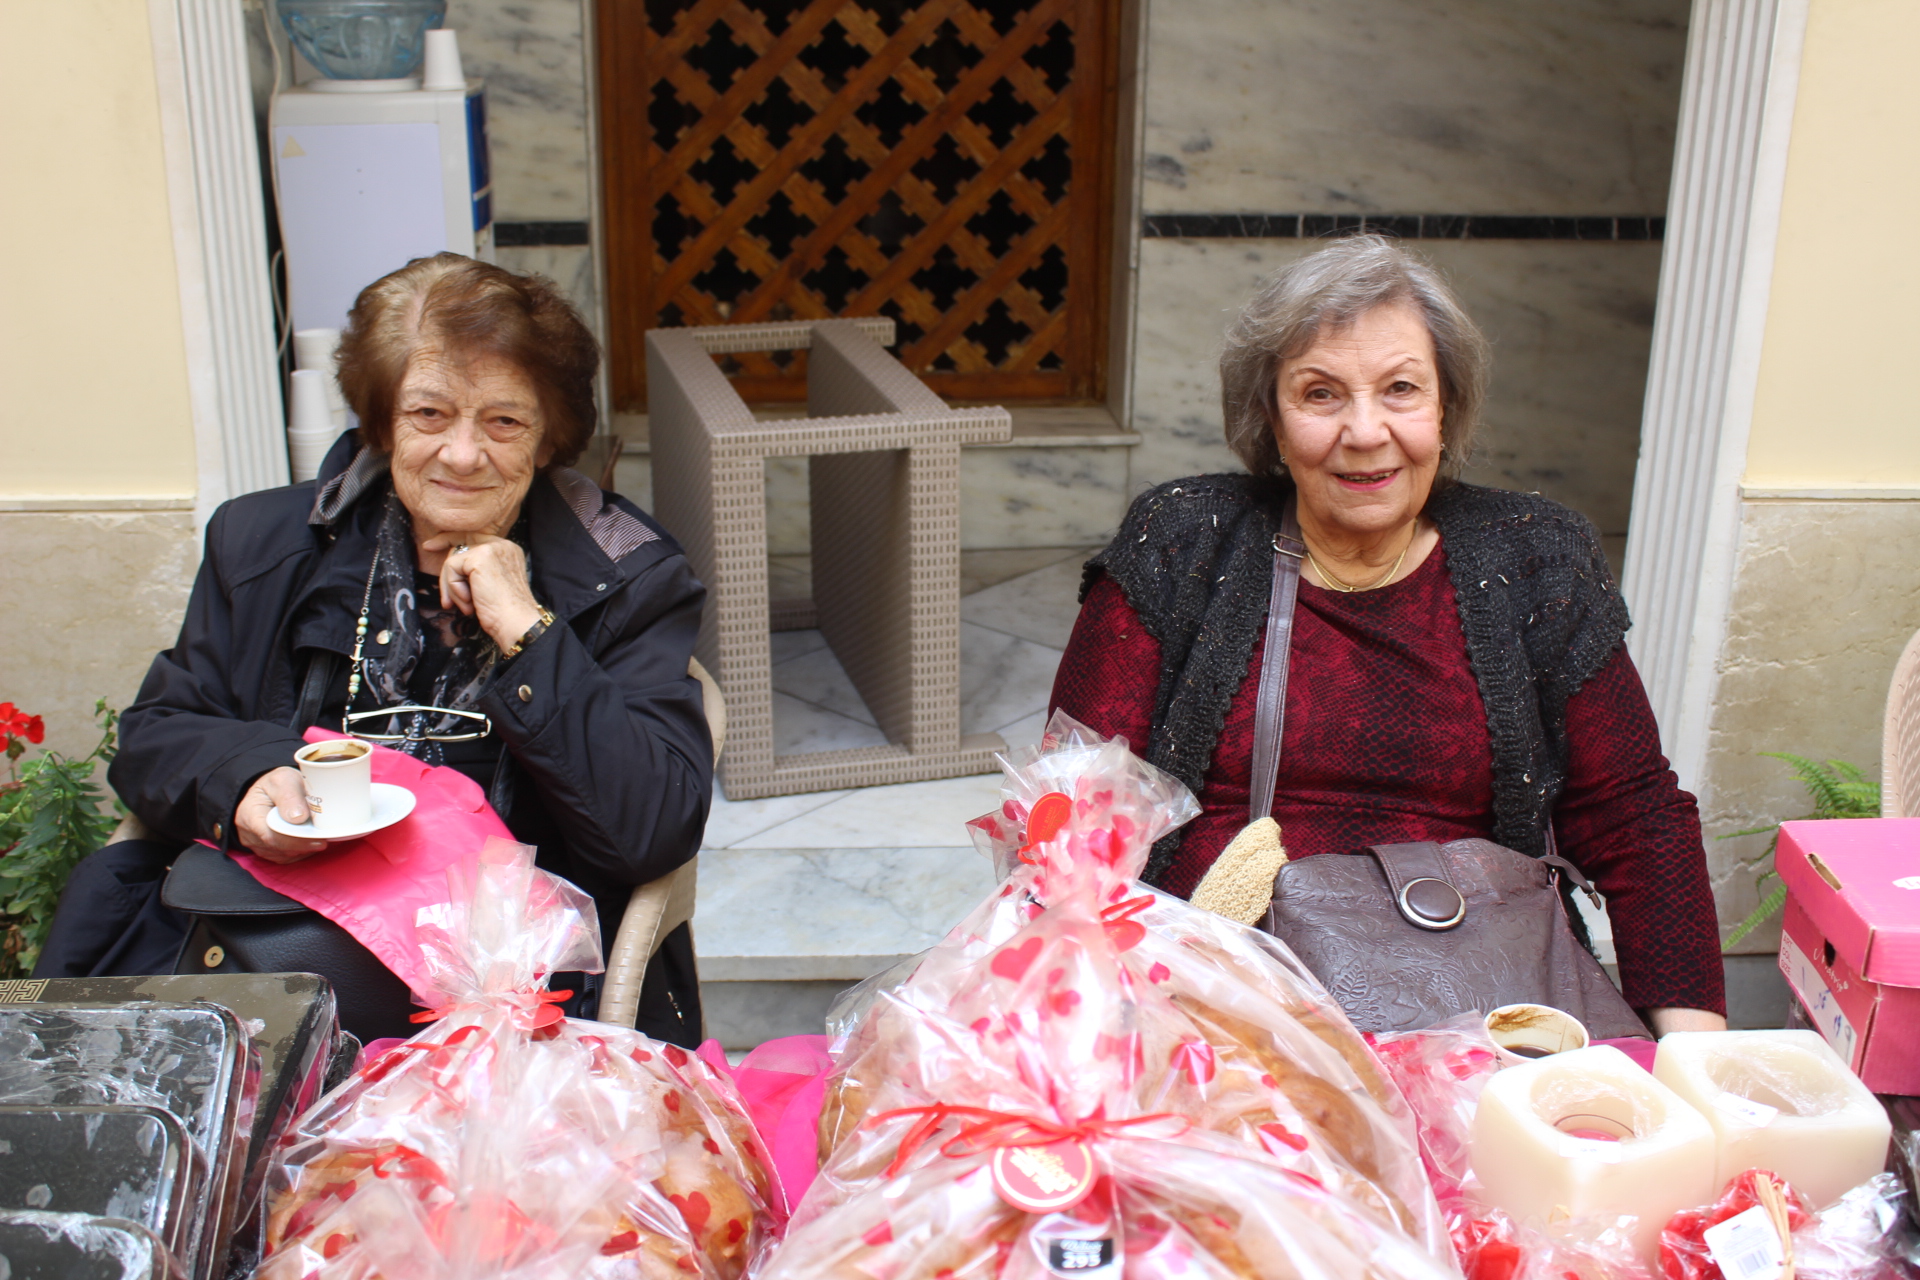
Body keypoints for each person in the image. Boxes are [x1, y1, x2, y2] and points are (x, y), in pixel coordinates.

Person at [1051, 235, 1726, 1035]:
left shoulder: (1538, 560)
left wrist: (1696, 1057)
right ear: (1273, 421)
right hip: (1224, 1010)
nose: (1366, 431)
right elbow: (1076, 805)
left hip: (1480, 1010)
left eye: (1401, 389)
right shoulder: (1185, 540)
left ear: (1446, 410)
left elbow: (1636, 816)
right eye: (1321, 394)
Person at [37, 253, 713, 1044]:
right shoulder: (262, 543)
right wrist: (244, 780)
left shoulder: (629, 576)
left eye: (504, 421)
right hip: (269, 959)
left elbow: (650, 829)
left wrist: (528, 630)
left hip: (510, 998)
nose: (463, 454)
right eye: (429, 414)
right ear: (384, 421)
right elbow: (158, 732)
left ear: (549, 439)